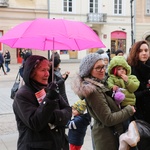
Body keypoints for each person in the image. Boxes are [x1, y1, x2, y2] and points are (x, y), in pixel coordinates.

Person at [72, 53, 135, 150]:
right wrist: (128, 110)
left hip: (110, 135)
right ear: (89, 70)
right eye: (98, 68)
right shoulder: (94, 91)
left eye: (103, 67)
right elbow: (108, 119)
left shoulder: (100, 84)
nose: (102, 70)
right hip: (107, 140)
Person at [13, 55, 72, 150]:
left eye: (48, 70)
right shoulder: (22, 95)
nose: (47, 74)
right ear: (31, 73)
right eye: (43, 70)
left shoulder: (49, 88)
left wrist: (53, 117)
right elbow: (36, 123)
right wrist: (49, 99)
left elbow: (68, 111)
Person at [127, 40, 150, 150]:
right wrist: (147, 90)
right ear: (135, 53)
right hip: (138, 115)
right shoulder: (131, 70)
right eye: (140, 51)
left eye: (146, 50)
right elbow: (131, 95)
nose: (144, 53)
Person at [107, 56, 140, 130]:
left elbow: (134, 87)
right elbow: (109, 84)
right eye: (119, 69)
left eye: (123, 69)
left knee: (130, 123)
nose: (122, 71)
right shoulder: (112, 78)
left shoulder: (131, 77)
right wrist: (112, 87)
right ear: (114, 70)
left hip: (129, 104)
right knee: (123, 123)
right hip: (118, 105)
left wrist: (127, 81)